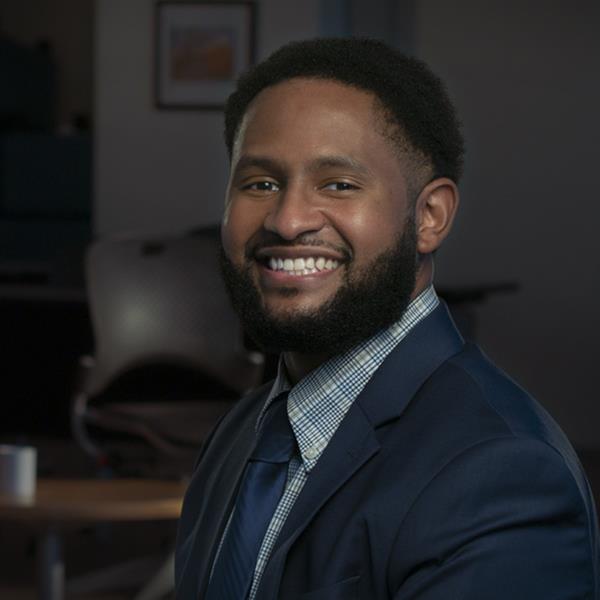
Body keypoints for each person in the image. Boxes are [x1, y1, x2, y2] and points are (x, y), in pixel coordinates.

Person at [175, 38, 599, 599]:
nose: (287, 220)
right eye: (261, 184)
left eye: (339, 184)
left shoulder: (503, 473)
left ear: (429, 217)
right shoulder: (240, 434)